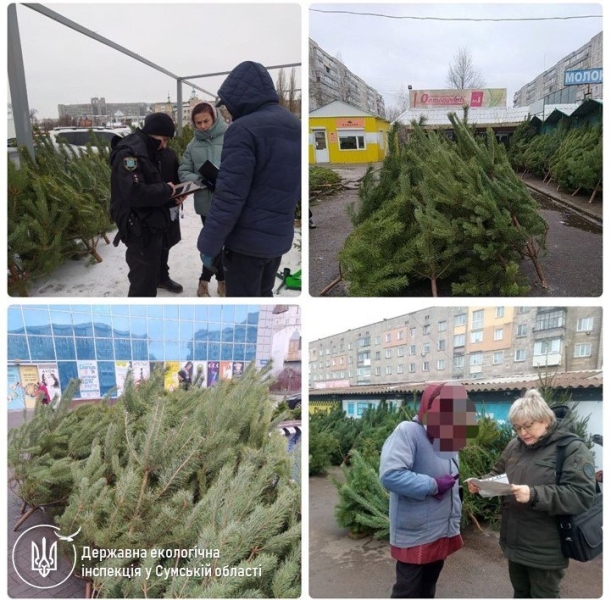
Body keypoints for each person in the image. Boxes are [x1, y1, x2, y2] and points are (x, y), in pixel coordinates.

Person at [467, 389, 596, 598]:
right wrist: (481, 484)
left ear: (544, 419)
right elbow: (498, 473)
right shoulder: (514, 446)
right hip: (514, 543)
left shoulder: (571, 448)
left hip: (545, 549)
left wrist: (534, 494)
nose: (522, 433)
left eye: (527, 426)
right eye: (517, 428)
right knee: (520, 593)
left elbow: (581, 495)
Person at [197, 60, 301, 297]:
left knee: (244, 305)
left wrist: (209, 245)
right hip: (277, 240)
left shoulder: (243, 129)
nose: (229, 111)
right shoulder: (294, 125)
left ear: (239, 98)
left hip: (246, 244)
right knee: (263, 296)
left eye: (228, 106)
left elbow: (229, 196)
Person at [379, 382, 471, 598]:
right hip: (416, 533)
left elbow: (451, 476)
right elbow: (391, 475)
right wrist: (433, 485)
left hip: (441, 530)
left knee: (428, 588)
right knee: (408, 591)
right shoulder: (408, 432)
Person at [110, 112, 186, 297]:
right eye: (163, 139)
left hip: (153, 220)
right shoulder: (130, 154)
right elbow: (134, 192)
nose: (165, 145)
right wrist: (166, 191)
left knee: (152, 270)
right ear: (153, 134)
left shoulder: (150, 150)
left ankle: (159, 279)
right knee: (143, 284)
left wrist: (175, 194)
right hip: (137, 225)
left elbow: (155, 182)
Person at [178, 101, 228, 297]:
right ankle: (216, 281)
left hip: (228, 200)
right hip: (206, 203)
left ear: (214, 117)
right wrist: (200, 180)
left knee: (226, 243)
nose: (203, 126)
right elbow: (183, 171)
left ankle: (208, 280)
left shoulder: (230, 137)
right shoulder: (193, 145)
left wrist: (225, 177)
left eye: (206, 121)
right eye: (198, 123)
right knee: (212, 245)